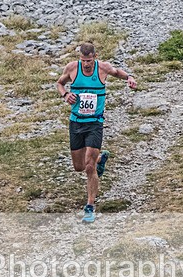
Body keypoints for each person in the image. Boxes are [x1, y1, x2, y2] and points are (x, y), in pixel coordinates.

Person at [56, 42, 138, 223]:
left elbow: (117, 72)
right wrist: (65, 95)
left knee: (89, 167)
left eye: (89, 60)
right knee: (79, 167)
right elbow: (60, 83)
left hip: (95, 123)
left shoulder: (103, 68)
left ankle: (90, 206)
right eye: (83, 60)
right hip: (76, 123)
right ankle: (101, 159)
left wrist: (129, 78)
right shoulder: (72, 68)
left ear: (95, 57)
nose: (86, 64)